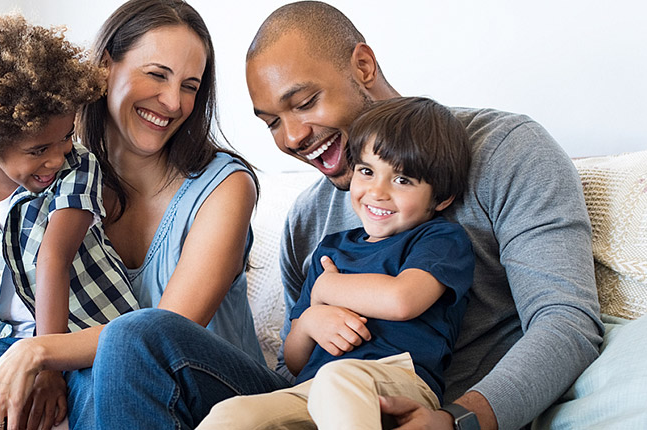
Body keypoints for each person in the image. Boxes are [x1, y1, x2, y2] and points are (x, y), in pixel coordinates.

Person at [89, 2, 602, 429]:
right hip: (317, 399)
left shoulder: (506, 151)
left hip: (429, 399)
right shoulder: (308, 218)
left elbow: (566, 322)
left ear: (362, 66)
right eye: (272, 122)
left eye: (305, 102)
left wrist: (460, 420)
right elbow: (299, 360)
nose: (291, 138)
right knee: (136, 336)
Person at [0, 1, 272, 429]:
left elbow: (164, 334)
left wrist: (37, 352)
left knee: (129, 338)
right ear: (106, 66)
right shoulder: (47, 173)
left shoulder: (224, 185)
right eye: (157, 74)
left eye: (190, 85)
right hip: (119, 387)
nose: (172, 101)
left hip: (216, 388)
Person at [198, 96, 475, 429]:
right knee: (233, 414)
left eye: (402, 180)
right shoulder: (330, 250)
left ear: (441, 197)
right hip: (313, 387)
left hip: (397, 379)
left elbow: (402, 300)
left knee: (337, 379)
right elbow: (295, 361)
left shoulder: (439, 239)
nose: (377, 192)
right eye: (367, 171)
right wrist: (313, 318)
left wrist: (327, 287)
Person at [0, 13, 138, 429]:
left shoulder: (77, 169)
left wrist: (48, 367)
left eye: (65, 137)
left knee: (102, 387)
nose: (55, 158)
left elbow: (52, 260)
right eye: (39, 148)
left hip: (86, 336)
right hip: (4, 342)